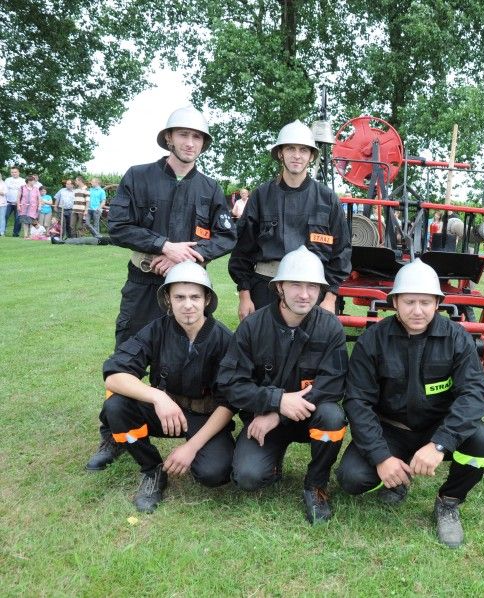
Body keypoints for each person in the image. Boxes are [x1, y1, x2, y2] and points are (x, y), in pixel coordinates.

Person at [85, 106, 237, 471]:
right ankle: (114, 432)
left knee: (195, 352)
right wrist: (163, 245)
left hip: (188, 287)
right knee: (128, 352)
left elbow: (228, 235)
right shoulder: (138, 177)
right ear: (169, 138)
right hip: (144, 283)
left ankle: (194, 419)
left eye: (197, 137)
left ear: (203, 143)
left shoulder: (210, 189)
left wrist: (188, 256)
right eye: (183, 135)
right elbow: (118, 226)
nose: (189, 142)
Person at [336, 259, 484, 548]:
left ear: (437, 303)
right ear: (394, 302)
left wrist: (440, 444)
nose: (417, 311)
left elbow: (474, 394)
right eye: (409, 302)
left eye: (425, 302)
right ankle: (397, 478)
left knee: (481, 442)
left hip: (438, 429)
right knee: (351, 478)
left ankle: (448, 502)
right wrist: (382, 457)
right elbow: (358, 401)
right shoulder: (373, 340)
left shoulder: (457, 338)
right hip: (391, 430)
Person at [218, 247, 348, 525]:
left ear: (321, 290)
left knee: (333, 417)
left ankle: (316, 485)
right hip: (263, 419)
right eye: (295, 285)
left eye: (312, 286)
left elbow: (334, 384)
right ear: (279, 288)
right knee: (248, 477)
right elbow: (231, 384)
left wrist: (280, 410)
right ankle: (272, 463)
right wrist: (276, 400)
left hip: (307, 417)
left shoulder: (331, 328)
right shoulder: (252, 327)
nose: (304, 294)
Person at [98, 262, 235, 512]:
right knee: (116, 406)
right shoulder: (156, 330)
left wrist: (191, 448)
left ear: (207, 300)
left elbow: (229, 403)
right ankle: (152, 470)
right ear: (168, 300)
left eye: (195, 296)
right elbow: (114, 375)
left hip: (206, 416)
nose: (187, 305)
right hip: (164, 412)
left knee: (214, 474)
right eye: (179, 297)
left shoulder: (225, 340)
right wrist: (157, 398)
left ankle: (197, 453)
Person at [228, 120, 351, 321]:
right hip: (266, 287)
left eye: (303, 150)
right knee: (264, 349)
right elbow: (242, 250)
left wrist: (330, 298)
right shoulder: (261, 196)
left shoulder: (328, 199)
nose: (296, 155)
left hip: (312, 293)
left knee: (311, 351)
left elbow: (342, 252)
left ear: (311, 156)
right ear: (280, 153)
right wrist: (244, 295)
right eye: (290, 148)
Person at [2, 166, 25, 237]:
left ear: (18, 172)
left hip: (18, 203)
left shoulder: (23, 181)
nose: (14, 173)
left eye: (15, 172)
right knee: (4, 217)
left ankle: (16, 234)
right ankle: (2, 232)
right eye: (12, 172)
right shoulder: (7, 180)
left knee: (18, 219)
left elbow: (24, 193)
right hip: (8, 202)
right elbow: (3, 190)